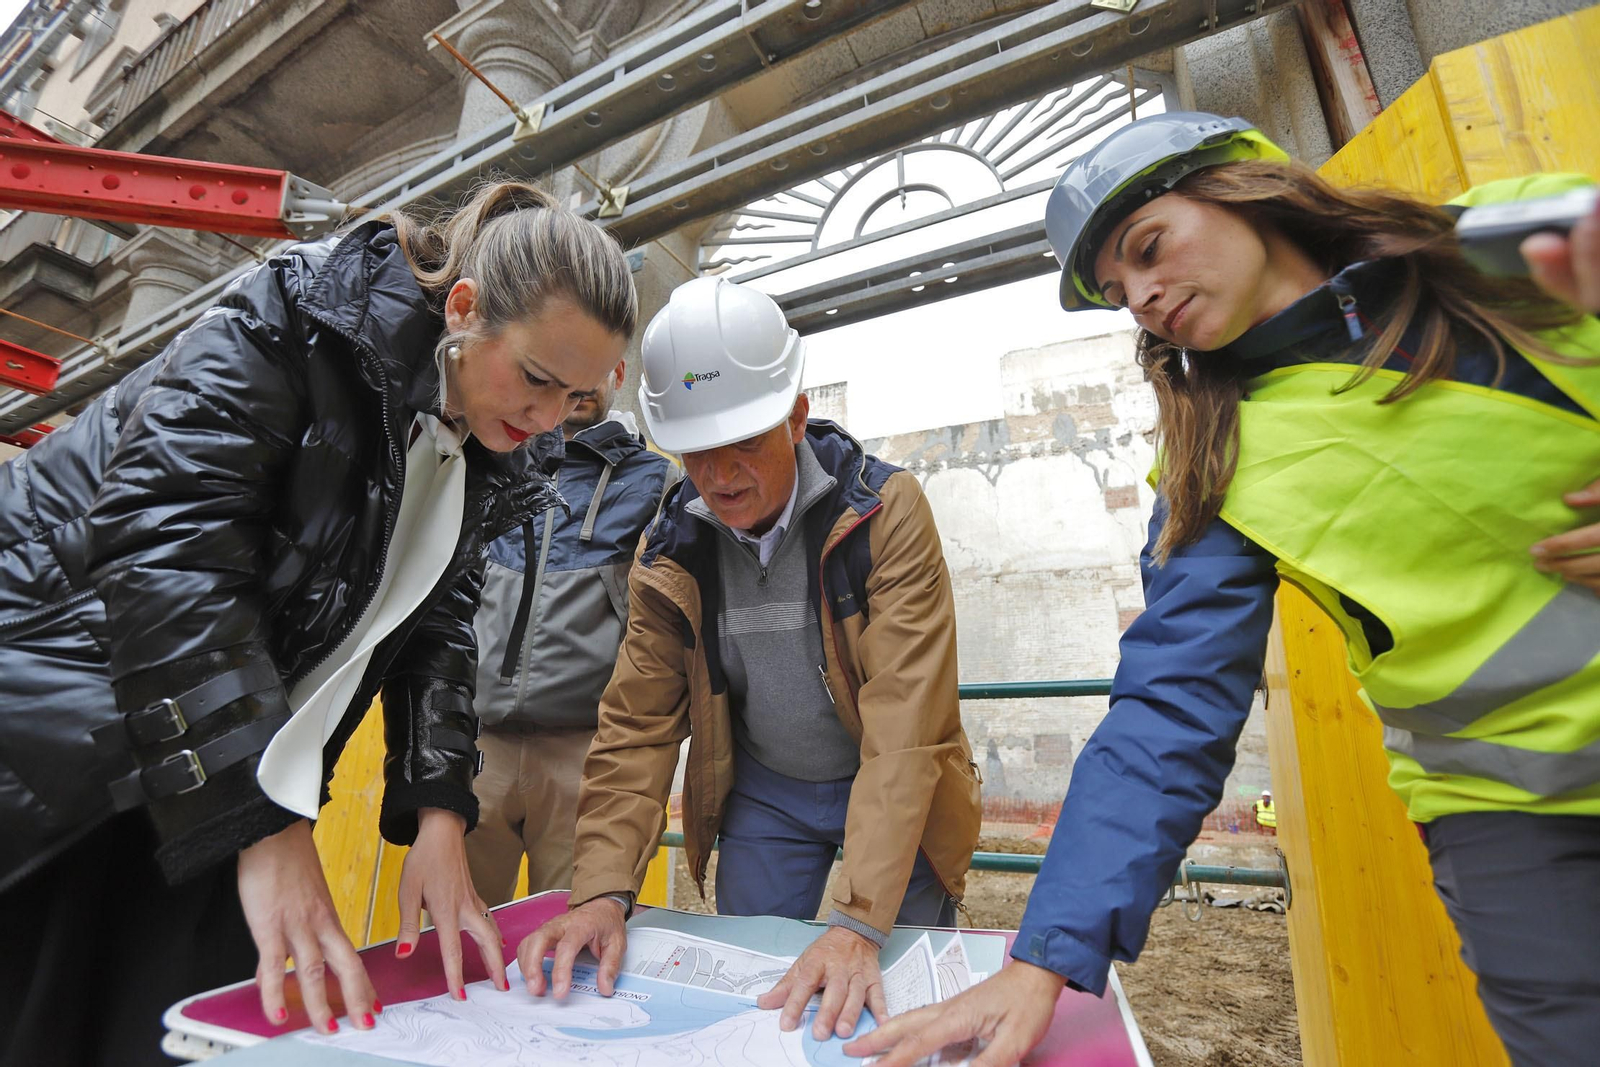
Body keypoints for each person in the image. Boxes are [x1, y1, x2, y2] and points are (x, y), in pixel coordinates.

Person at [849, 112, 1600, 1067]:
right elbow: (1165, 713)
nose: (1146, 297)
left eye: (1149, 249)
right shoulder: (1214, 470)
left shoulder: (1507, 243)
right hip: (1518, 826)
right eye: (1122, 292)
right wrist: (1040, 960)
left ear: (1241, 185)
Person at [0, 180, 636, 1065]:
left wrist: (440, 816)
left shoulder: (484, 443)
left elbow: (436, 619)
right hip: (63, 730)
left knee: (201, 1024)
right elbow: (168, 549)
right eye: (535, 378)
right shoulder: (293, 320)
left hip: (209, 754)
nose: (543, 420)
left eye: (573, 399)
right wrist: (265, 824)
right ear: (464, 306)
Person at [516, 276, 982, 1044]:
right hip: (769, 792)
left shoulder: (885, 514)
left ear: (795, 416)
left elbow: (906, 726)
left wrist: (860, 922)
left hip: (892, 775)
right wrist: (599, 891)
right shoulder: (670, 550)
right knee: (763, 993)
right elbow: (636, 725)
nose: (722, 474)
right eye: (697, 451)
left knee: (892, 983)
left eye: (746, 442)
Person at [464, 358, 675, 904]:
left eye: (589, 369)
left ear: (618, 372)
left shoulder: (657, 480)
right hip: (478, 743)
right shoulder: (494, 459)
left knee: (565, 944)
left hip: (586, 752)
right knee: (456, 936)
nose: (574, 385)